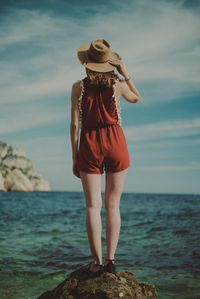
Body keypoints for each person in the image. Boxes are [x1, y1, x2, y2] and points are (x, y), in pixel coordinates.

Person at [70, 39, 140, 277]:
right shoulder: (117, 85)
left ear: (87, 64)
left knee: (92, 206)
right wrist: (125, 72)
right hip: (116, 142)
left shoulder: (78, 87)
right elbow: (136, 97)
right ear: (109, 65)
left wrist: (74, 156)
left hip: (89, 143)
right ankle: (111, 261)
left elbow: (74, 124)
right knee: (113, 205)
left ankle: (97, 263)